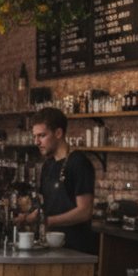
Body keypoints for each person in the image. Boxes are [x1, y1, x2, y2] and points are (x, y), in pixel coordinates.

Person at [28, 106, 96, 253]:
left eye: (42, 136)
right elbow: (46, 206)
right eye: (35, 136)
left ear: (58, 133)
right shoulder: (48, 165)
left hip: (75, 249)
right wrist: (26, 218)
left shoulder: (78, 162)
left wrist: (48, 221)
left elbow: (85, 211)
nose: (37, 142)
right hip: (50, 245)